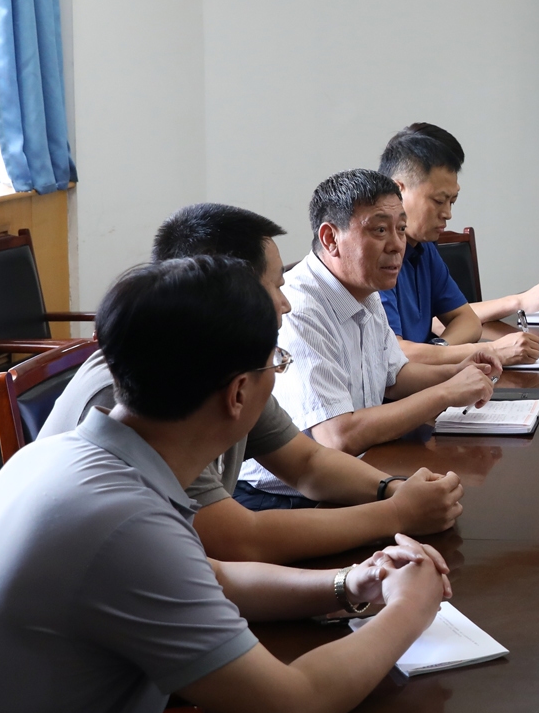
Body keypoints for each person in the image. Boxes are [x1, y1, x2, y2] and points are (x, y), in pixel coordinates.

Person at [0, 256, 453, 713]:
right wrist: (409, 608)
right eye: (275, 365)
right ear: (239, 394)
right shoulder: (121, 519)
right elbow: (290, 712)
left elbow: (211, 578)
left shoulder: (68, 456)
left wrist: (351, 583)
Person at [37, 203, 464, 559]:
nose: (286, 302)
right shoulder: (141, 389)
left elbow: (307, 462)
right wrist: (396, 515)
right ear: (223, 287)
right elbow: (237, 541)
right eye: (274, 285)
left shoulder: (225, 360)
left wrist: (393, 490)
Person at [238, 170, 498, 504]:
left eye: (401, 229)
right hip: (284, 497)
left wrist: (458, 370)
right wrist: (446, 393)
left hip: (354, 471)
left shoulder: (365, 289)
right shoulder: (299, 309)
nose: (397, 245)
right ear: (330, 238)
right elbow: (338, 436)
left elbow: (395, 375)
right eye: (379, 230)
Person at [378, 123, 539, 353]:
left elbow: (467, 321)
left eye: (452, 201)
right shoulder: (375, 257)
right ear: (398, 190)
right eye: (439, 201)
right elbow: (396, 356)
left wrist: (439, 350)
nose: (448, 213)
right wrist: (489, 352)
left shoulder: (424, 248)